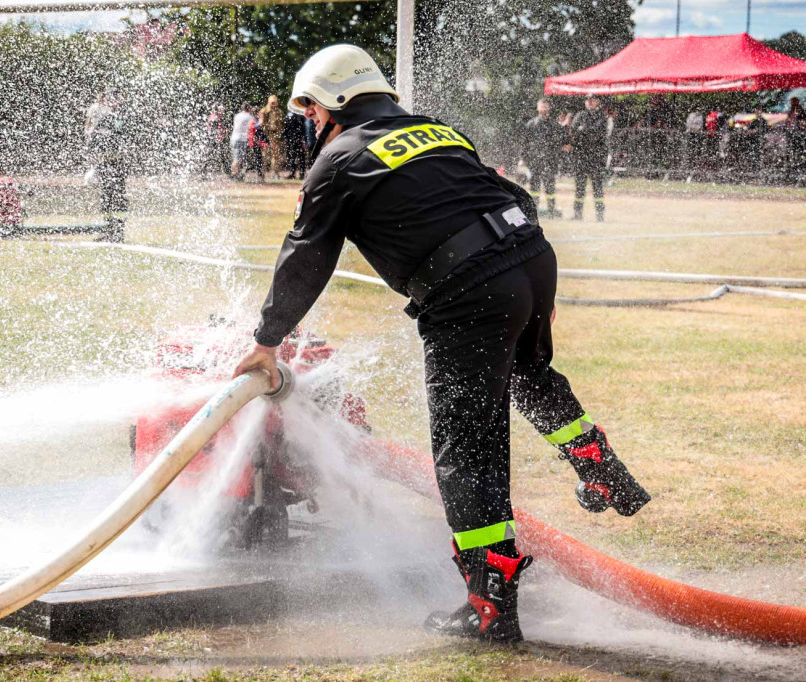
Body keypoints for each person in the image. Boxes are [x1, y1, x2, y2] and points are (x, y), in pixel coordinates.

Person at [231, 44, 650, 644]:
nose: (311, 122)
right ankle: (601, 468)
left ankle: (489, 605)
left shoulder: (340, 159)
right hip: (528, 255)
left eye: (312, 110)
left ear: (333, 101)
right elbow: (509, 196)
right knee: (529, 375)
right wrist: (523, 275)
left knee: (467, 453)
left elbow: (307, 255)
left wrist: (267, 340)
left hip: (466, 288)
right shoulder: (435, 129)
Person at [86, 90, 128, 241]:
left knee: (119, 197)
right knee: (106, 197)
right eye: (110, 99)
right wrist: (92, 158)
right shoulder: (106, 118)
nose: (112, 102)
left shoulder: (125, 117)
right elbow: (94, 137)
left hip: (118, 163)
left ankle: (119, 232)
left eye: (115, 98)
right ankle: (109, 230)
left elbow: (129, 138)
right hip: (104, 162)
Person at [570, 94, 609, 222]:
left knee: (598, 188)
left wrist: (583, 130)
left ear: (598, 102)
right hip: (581, 157)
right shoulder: (580, 115)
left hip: (596, 158)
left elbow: (597, 133)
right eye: (587, 100)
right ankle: (577, 214)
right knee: (579, 187)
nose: (589, 102)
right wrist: (584, 131)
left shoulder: (602, 117)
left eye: (592, 100)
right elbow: (573, 132)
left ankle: (600, 215)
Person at [523, 98, 563, 218]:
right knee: (534, 187)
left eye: (546, 106)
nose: (544, 108)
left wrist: (556, 158)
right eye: (541, 106)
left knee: (550, 187)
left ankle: (551, 211)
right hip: (534, 161)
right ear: (537, 108)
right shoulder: (531, 124)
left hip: (550, 161)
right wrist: (523, 159)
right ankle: (534, 211)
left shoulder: (554, 125)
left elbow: (559, 143)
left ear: (549, 108)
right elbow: (525, 143)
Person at [261, 95, 287, 179]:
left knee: (276, 156)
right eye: (272, 103)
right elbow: (261, 125)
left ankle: (275, 173)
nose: (273, 105)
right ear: (268, 102)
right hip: (266, 136)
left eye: (274, 103)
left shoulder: (279, 112)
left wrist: (279, 135)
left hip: (276, 137)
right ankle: (262, 173)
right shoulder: (264, 111)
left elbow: (282, 125)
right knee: (264, 156)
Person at [230, 102, 255, 180]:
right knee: (239, 159)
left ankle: (236, 175)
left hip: (234, 138)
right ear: (249, 109)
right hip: (242, 139)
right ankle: (235, 175)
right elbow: (252, 126)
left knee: (237, 158)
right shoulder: (249, 117)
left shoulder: (236, 116)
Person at [282, 111, 308, 180]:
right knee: (292, 157)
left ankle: (302, 173)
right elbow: (286, 127)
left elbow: (303, 128)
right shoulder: (289, 115)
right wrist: (286, 138)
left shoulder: (300, 115)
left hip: (299, 139)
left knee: (301, 157)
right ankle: (293, 173)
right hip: (291, 139)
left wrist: (304, 139)